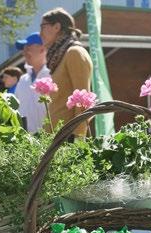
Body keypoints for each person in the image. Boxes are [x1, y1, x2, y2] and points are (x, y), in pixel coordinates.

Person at [40, 7, 93, 137]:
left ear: (57, 27)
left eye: (42, 26)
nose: (40, 33)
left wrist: (77, 142)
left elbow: (84, 104)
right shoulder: (60, 56)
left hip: (66, 143)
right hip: (55, 141)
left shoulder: (74, 53)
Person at [15, 32, 50, 134]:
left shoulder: (53, 75)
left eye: (28, 47)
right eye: (24, 49)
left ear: (43, 49)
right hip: (26, 143)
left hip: (50, 140)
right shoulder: (22, 80)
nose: (24, 52)